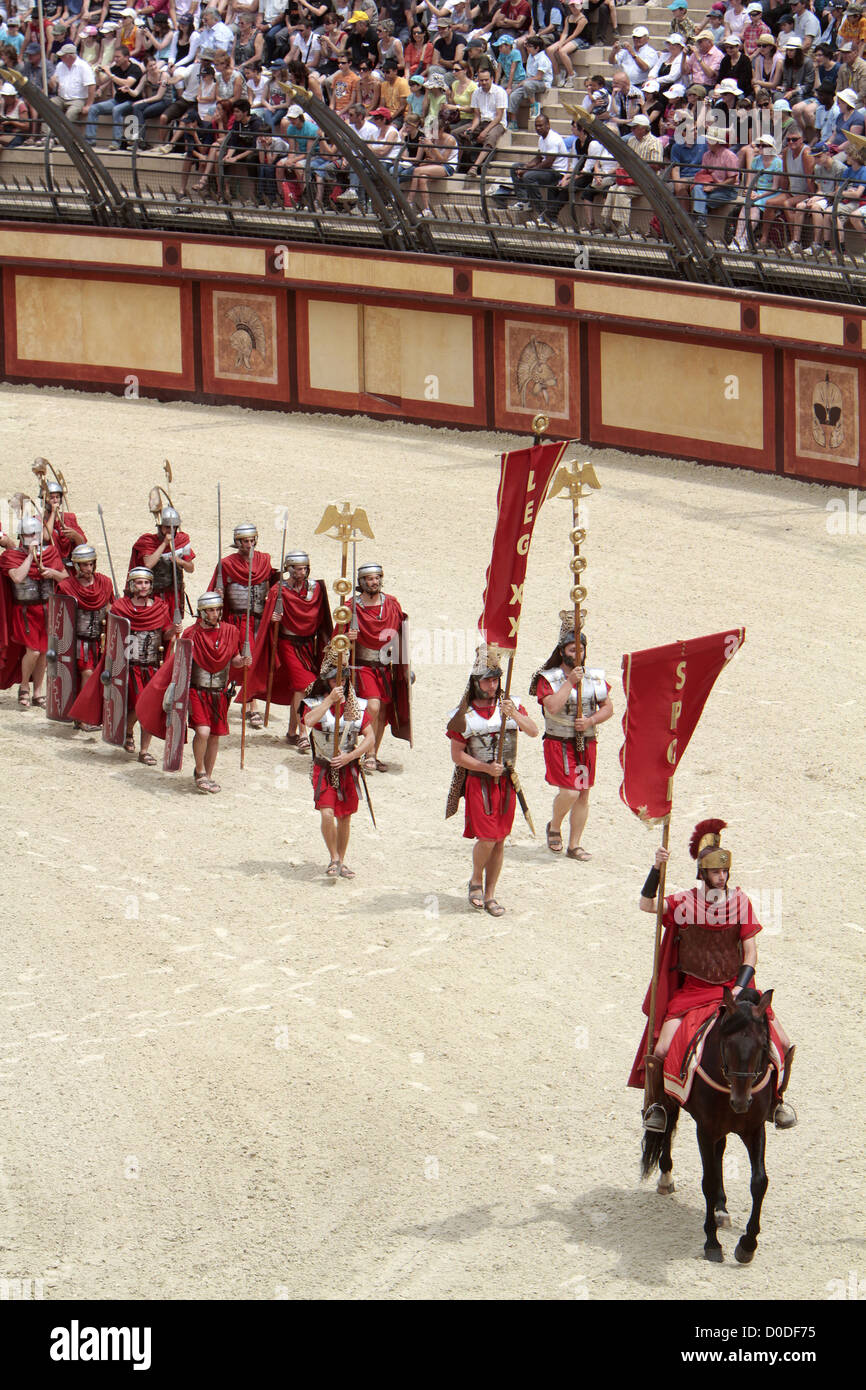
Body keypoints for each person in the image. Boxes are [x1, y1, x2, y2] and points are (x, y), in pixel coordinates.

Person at [630, 819, 797, 1133]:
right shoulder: (683, 902)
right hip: (692, 993)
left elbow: (750, 953)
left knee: (784, 1043)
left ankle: (776, 1101)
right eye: (715, 872)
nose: (721, 877)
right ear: (702, 873)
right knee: (663, 1050)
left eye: (724, 872)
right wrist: (656, 868)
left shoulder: (740, 903)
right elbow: (646, 904)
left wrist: (739, 988)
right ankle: (659, 1108)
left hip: (735, 991)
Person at [446, 645, 538, 917]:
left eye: (496, 679)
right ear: (476, 681)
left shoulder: (511, 705)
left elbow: (533, 731)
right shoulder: (463, 714)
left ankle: (490, 893)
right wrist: (485, 768)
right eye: (487, 679)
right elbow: (458, 756)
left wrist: (515, 714)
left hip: (507, 782)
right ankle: (476, 880)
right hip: (480, 783)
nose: (493, 684)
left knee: (499, 840)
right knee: (487, 838)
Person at [137, 590, 251, 791]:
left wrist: (241, 662)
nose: (215, 613)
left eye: (217, 609)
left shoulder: (230, 631)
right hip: (197, 691)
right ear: (202, 612)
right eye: (210, 610)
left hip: (220, 692)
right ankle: (199, 771)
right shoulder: (192, 634)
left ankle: (208, 774)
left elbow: (232, 657)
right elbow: (180, 665)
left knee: (214, 735)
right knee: (203, 731)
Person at [67, 565, 176, 762]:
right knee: (138, 704)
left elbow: (165, 635)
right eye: (139, 582)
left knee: (148, 706)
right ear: (132, 585)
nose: (143, 586)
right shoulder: (121, 607)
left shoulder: (160, 608)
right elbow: (114, 636)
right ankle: (127, 730)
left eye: (146, 583)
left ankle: (143, 750)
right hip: (128, 667)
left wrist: (174, 631)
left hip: (151, 666)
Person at [529, 620, 612, 860]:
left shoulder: (595, 677)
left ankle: (574, 845)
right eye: (573, 650)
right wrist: (570, 682)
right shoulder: (549, 678)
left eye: (581, 649)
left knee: (583, 793)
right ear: (562, 651)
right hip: (559, 742)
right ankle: (554, 825)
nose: (578, 654)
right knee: (570, 792)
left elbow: (608, 708)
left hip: (586, 741)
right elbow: (552, 706)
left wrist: (590, 721)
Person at [244, 548, 333, 748]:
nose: (301, 573)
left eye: (304, 569)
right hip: (288, 644)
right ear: (289, 569)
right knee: (303, 686)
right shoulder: (279, 591)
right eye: (297, 569)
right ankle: (303, 732)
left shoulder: (316, 589)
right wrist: (275, 620)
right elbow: (268, 623)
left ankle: (291, 732)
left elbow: (320, 617)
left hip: (310, 644)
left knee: (299, 689)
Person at [302, 643, 374, 878]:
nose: (339, 683)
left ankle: (341, 860)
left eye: (342, 678)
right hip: (323, 767)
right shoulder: (314, 703)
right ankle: (333, 857)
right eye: (334, 680)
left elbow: (369, 737)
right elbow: (309, 722)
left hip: (347, 767)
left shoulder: (357, 706)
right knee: (327, 813)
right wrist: (328, 702)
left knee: (345, 817)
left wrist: (351, 756)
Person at [211, 521, 277, 730]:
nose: (249, 544)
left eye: (251, 540)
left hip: (259, 618)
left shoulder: (264, 560)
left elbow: (270, 587)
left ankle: (247, 702)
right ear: (237, 542)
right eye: (244, 541)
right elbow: (217, 592)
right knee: (243, 660)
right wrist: (219, 595)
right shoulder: (227, 564)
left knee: (256, 661)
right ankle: (251, 705)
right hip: (237, 619)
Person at [0, 514, 66, 710]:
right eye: (28, 535)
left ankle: (37, 692)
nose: (33, 538)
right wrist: (30, 556)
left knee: (45, 652)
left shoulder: (51, 553)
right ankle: (23, 688)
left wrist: (53, 573)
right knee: (33, 651)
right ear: (21, 536)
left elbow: (66, 579)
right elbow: (18, 577)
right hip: (24, 611)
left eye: (35, 534)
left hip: (47, 609)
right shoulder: (10, 556)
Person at [347, 561, 407, 773]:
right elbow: (337, 640)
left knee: (382, 713)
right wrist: (347, 637)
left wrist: (405, 669)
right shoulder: (351, 607)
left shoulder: (391, 604)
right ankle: (366, 752)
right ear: (361, 582)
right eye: (370, 579)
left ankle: (372, 754)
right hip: (362, 667)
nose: (374, 582)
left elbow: (400, 637)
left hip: (385, 667)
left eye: (377, 578)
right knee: (373, 706)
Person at [58, 544, 114, 730]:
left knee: (97, 678)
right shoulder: (66, 587)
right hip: (77, 641)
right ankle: (81, 718)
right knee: (87, 674)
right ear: (76, 566)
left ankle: (88, 715)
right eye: (84, 565)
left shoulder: (104, 583)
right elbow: (60, 617)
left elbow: (109, 608)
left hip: (99, 639)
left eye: (91, 564)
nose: (88, 569)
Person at [129, 504, 195, 616]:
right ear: (160, 527)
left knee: (174, 625)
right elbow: (148, 564)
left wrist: (181, 562)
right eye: (167, 527)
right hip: (154, 593)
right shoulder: (148, 541)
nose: (171, 530)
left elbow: (191, 568)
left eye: (174, 527)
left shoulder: (182, 541)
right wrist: (164, 543)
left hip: (174, 593)